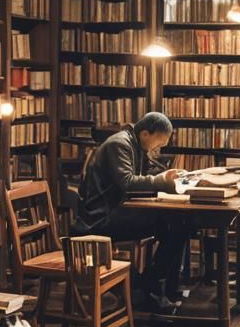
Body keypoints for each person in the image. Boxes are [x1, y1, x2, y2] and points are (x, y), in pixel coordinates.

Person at [73, 112, 188, 313]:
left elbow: (143, 176)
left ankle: (157, 288)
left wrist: (168, 176)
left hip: (117, 210)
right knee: (175, 226)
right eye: (158, 143)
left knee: (176, 225)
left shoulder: (134, 144)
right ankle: (150, 287)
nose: (157, 148)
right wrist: (162, 181)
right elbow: (127, 182)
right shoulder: (120, 144)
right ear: (145, 133)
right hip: (99, 218)